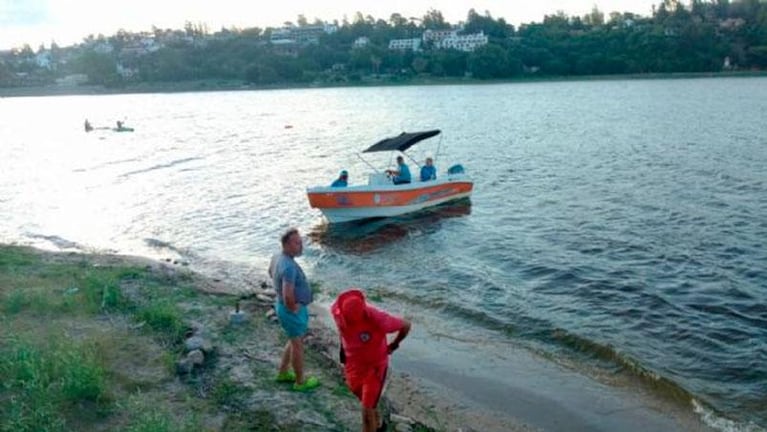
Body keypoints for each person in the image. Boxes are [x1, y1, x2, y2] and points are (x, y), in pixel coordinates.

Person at [331, 289, 411, 432]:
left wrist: (394, 344)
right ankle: (379, 425)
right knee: (364, 400)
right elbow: (341, 330)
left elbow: (406, 325)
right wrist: (342, 350)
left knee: (366, 413)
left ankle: (373, 423)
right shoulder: (338, 313)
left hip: (375, 369)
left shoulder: (378, 318)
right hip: (353, 366)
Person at [271, 228, 320, 392]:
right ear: (286, 244)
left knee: (293, 340)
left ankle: (283, 372)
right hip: (290, 310)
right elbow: (287, 294)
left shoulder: (277, 257)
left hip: (283, 307)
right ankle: (300, 382)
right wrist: (294, 307)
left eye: (301, 242)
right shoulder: (289, 267)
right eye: (296, 243)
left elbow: (270, 272)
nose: (301, 246)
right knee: (298, 346)